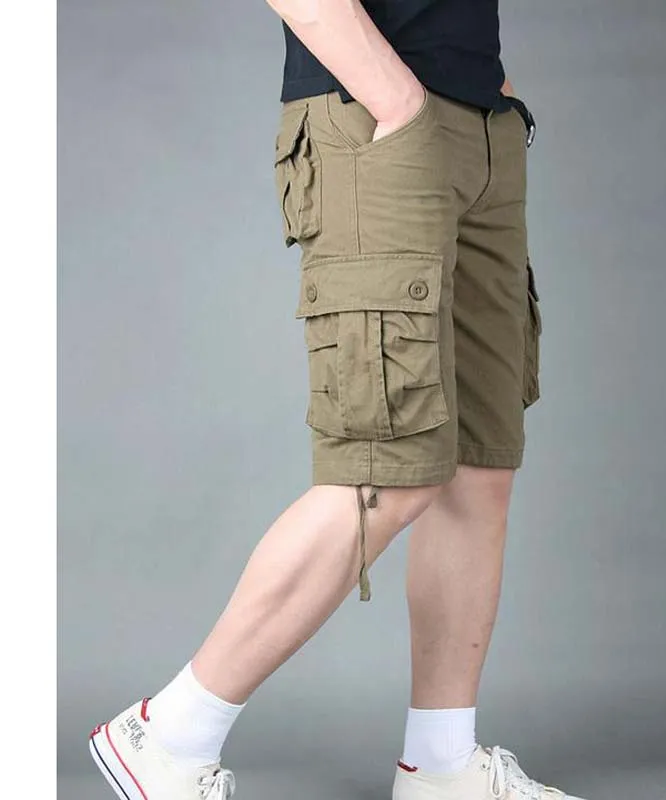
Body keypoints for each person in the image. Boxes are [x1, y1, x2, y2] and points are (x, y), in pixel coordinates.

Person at [88, 1, 584, 799]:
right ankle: (168, 734)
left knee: (479, 466)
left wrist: (490, 90)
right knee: (386, 466)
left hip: (484, 122)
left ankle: (441, 766)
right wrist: (399, 101)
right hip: (378, 114)